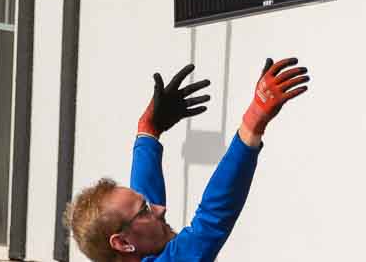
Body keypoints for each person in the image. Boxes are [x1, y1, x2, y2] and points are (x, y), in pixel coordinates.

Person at [62, 57, 310, 262]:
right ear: (123, 243)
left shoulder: (136, 245)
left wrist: (147, 131)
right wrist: (253, 121)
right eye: (146, 210)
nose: (160, 208)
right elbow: (211, 220)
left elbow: (143, 193)